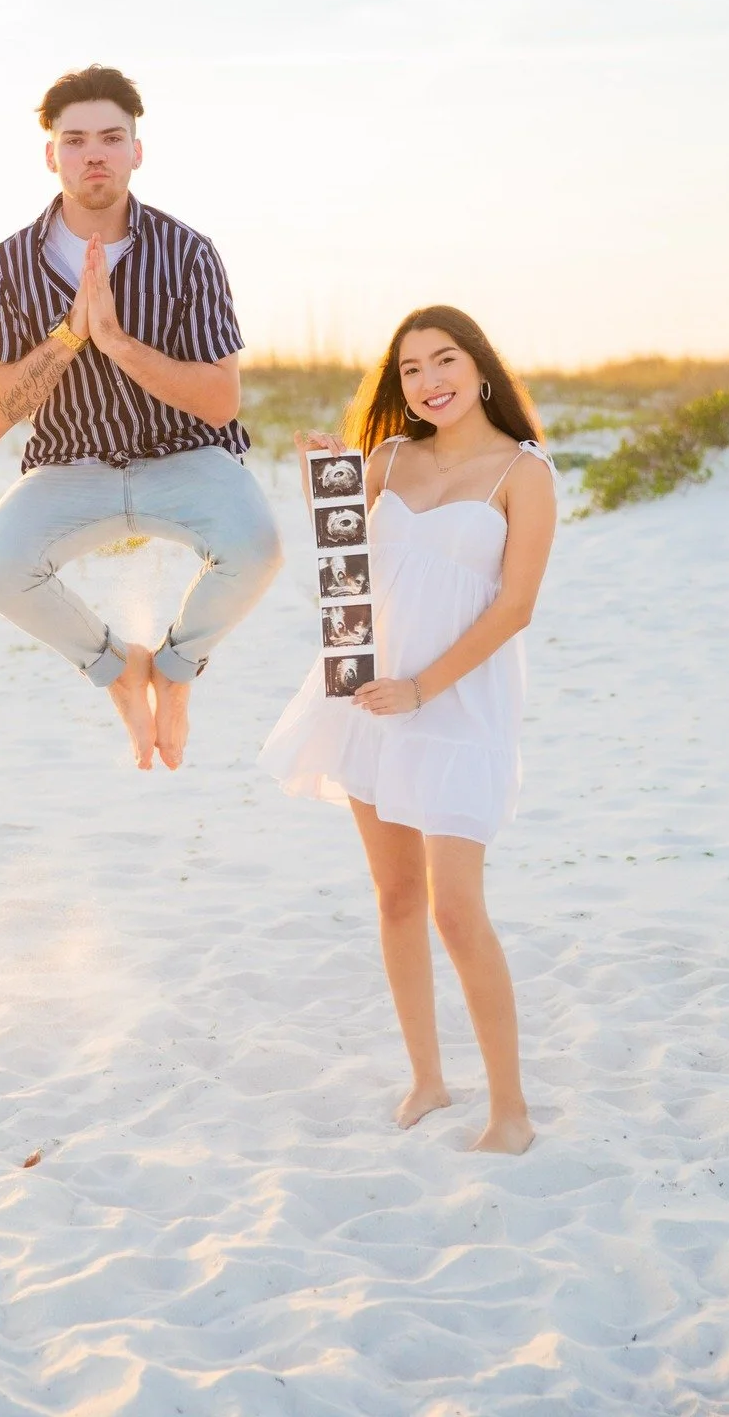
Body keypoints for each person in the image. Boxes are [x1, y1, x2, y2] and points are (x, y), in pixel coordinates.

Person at [259, 307, 556, 1153]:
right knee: (394, 897)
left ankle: (510, 1111)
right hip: (370, 701)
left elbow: (516, 606)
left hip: (455, 706)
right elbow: (345, 578)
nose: (428, 380)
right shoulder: (388, 458)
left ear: (480, 367)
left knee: (455, 910)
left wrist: (423, 687)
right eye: (411, 369)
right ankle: (427, 1079)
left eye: (444, 360)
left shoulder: (522, 474)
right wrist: (327, 487)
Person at [0, 65, 282, 771]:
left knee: (257, 546)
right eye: (75, 140)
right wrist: (70, 338)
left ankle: (174, 668)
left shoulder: (188, 252)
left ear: (138, 149)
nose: (95, 154)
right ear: (51, 154)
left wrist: (117, 345)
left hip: (184, 456)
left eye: (112, 137)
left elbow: (220, 401)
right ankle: (118, 670)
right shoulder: (6, 266)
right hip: (69, 464)